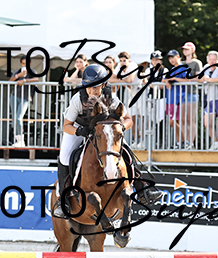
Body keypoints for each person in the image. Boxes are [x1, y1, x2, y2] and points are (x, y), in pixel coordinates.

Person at [52, 65, 162, 219]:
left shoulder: (111, 98)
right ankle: (63, 200)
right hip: (78, 128)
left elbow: (128, 119)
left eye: (96, 87)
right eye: (89, 87)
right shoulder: (78, 99)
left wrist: (120, 128)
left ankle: (141, 188)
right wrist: (80, 131)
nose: (92, 90)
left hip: (102, 131)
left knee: (125, 150)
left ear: (103, 85)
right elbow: (66, 126)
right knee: (65, 157)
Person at [113, 52, 143, 147]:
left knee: (142, 118)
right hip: (131, 94)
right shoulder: (119, 66)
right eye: (121, 60)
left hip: (140, 93)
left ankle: (143, 141)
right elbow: (111, 79)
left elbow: (130, 80)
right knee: (132, 117)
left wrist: (121, 80)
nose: (122, 62)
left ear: (128, 61)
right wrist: (123, 81)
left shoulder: (133, 65)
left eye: (124, 60)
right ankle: (136, 140)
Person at [8, 55, 40, 146]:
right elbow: (10, 81)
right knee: (14, 118)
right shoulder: (17, 71)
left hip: (26, 97)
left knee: (19, 117)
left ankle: (21, 140)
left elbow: (37, 79)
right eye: (23, 63)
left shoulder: (32, 71)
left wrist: (25, 80)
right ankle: (18, 140)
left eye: (26, 63)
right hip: (15, 95)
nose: (24, 65)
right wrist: (18, 76)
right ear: (21, 63)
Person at [178, 42, 202, 149]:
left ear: (193, 50)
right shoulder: (181, 63)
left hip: (192, 93)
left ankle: (191, 142)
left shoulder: (196, 63)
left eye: (187, 49)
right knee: (182, 119)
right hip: (182, 93)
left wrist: (186, 80)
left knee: (190, 119)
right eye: (184, 49)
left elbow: (199, 78)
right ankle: (185, 141)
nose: (185, 51)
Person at [164, 50, 187, 148]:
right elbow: (165, 79)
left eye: (173, 57)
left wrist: (174, 79)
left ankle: (184, 141)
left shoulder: (183, 68)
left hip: (178, 98)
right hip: (171, 98)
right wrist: (167, 81)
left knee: (172, 122)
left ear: (178, 57)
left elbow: (187, 80)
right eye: (170, 58)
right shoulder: (172, 69)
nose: (171, 60)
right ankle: (179, 143)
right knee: (175, 122)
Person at [144, 51, 168, 145]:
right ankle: (152, 141)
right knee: (151, 118)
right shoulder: (148, 70)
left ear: (161, 61)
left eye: (157, 60)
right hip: (151, 97)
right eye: (153, 60)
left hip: (161, 97)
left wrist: (152, 84)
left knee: (160, 118)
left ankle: (161, 140)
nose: (155, 62)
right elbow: (145, 80)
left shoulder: (164, 70)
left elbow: (162, 85)